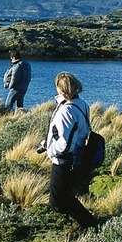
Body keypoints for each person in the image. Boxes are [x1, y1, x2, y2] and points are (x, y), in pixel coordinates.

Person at [42, 71, 100, 229]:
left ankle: (90, 225)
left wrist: (51, 151)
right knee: (65, 196)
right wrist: (47, 142)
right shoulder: (81, 104)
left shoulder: (66, 110)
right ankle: (88, 224)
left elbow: (65, 143)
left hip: (64, 160)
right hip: (76, 157)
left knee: (58, 201)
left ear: (61, 89)